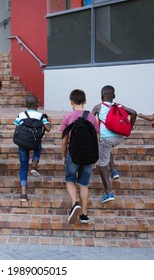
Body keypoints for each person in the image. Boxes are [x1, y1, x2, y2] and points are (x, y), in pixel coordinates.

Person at [91, 85, 137, 204]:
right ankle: (114, 171)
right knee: (107, 150)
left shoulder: (98, 106)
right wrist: (129, 128)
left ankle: (108, 192)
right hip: (119, 137)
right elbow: (134, 113)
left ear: (101, 97)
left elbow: (90, 120)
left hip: (106, 138)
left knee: (102, 164)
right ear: (114, 96)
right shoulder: (119, 106)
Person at [59, 89, 99, 224]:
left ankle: (75, 203)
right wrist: (96, 157)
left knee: (70, 179)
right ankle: (84, 214)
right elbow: (96, 138)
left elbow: (64, 140)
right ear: (85, 101)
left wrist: (63, 156)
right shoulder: (92, 118)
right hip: (89, 155)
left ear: (71, 102)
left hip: (73, 154)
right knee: (84, 184)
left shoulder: (68, 117)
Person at [14, 95, 51, 202]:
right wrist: (49, 121)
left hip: (22, 143)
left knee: (23, 166)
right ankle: (34, 165)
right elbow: (48, 129)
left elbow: (17, 128)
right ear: (37, 105)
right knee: (38, 146)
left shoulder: (21, 115)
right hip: (35, 142)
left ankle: (23, 194)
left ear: (26, 105)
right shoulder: (41, 116)